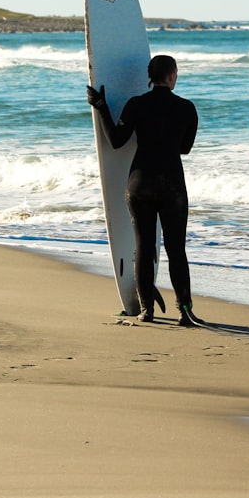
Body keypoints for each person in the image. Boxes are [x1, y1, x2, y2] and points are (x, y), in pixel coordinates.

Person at [87, 55, 199, 325]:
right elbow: (184, 148)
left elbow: (116, 140)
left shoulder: (136, 104)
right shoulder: (187, 108)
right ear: (172, 76)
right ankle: (184, 310)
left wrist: (101, 107)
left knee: (144, 247)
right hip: (172, 185)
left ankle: (146, 310)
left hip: (140, 184)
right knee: (176, 250)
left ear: (151, 77)